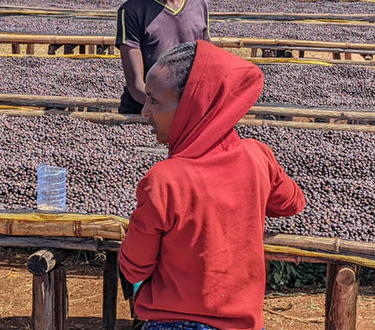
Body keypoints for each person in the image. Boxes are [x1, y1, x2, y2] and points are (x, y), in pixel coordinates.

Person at [119, 40, 306, 330]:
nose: (145, 111)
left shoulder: (165, 180)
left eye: (154, 101)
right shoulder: (258, 156)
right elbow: (292, 203)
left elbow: (134, 267)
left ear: (193, 108)